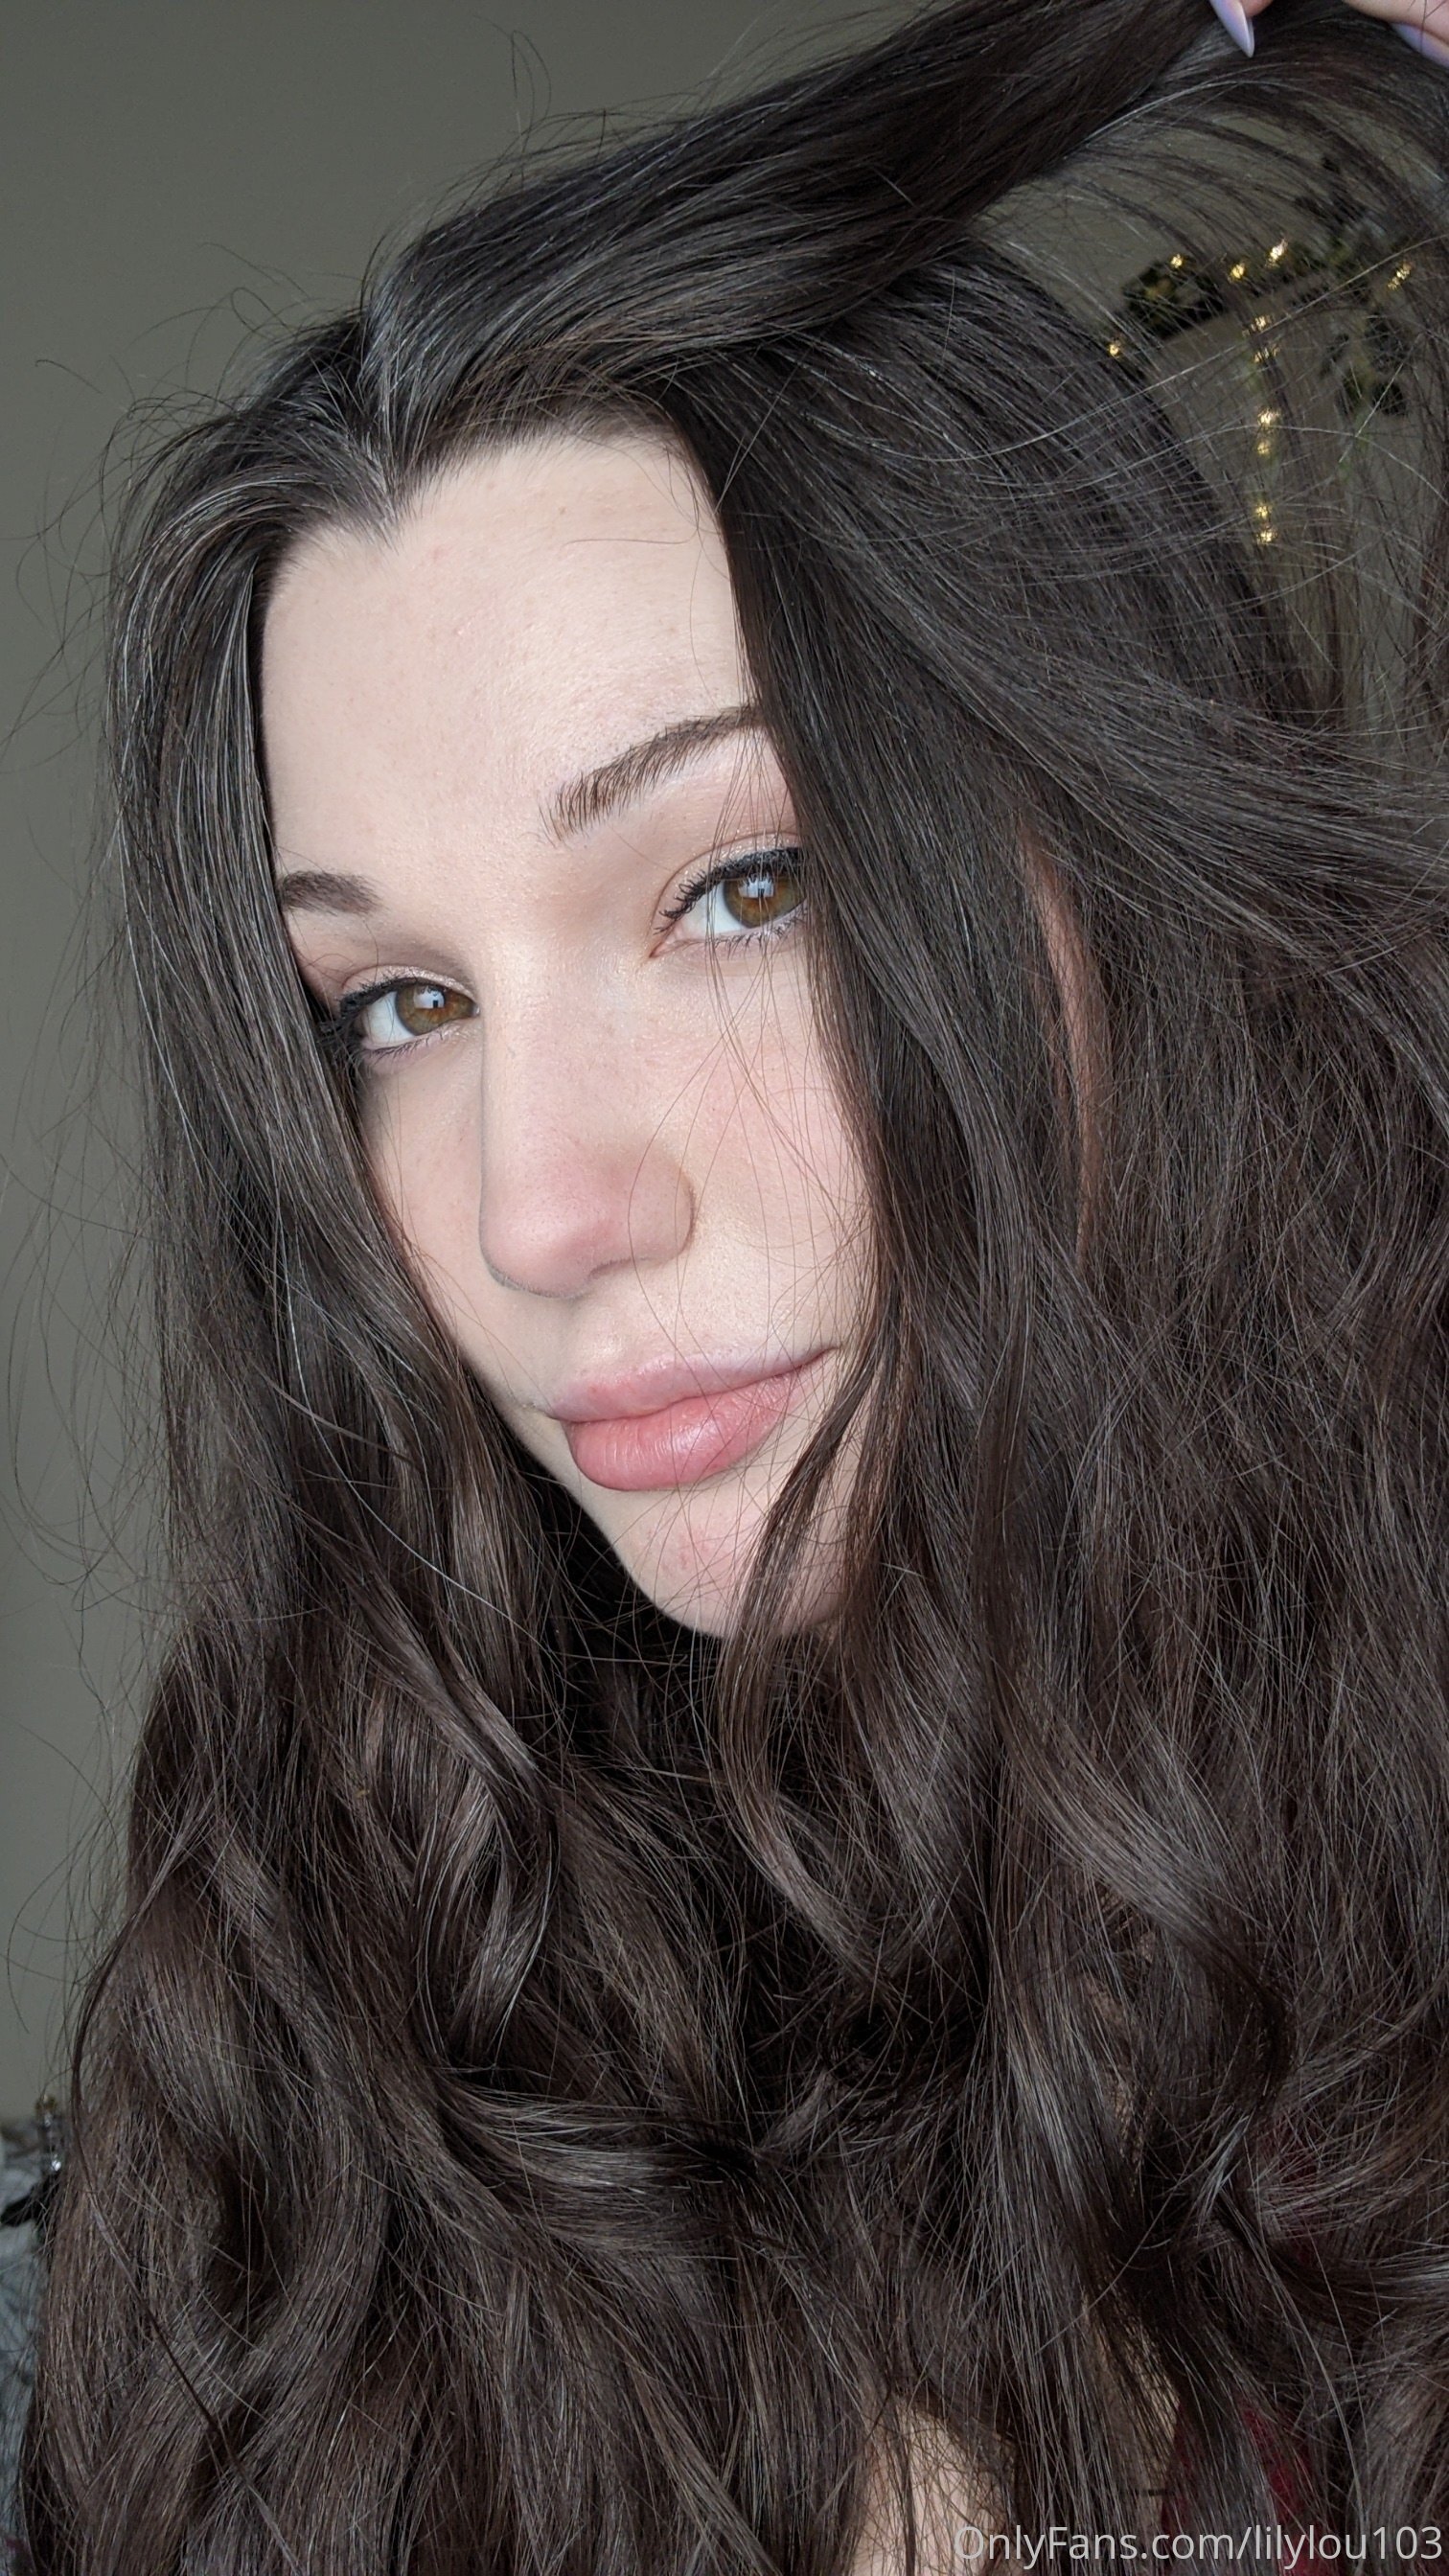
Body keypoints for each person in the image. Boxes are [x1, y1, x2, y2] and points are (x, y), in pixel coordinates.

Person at [9, 0, 1449, 2566]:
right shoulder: (253, 2209)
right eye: (398, 1008)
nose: (539, 1213)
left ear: (1139, 895)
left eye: (737, 885)